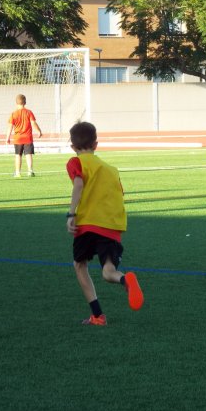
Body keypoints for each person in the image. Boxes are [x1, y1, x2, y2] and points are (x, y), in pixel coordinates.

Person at [66, 121, 144, 325]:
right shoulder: (111, 169)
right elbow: (119, 194)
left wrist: (71, 213)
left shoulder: (76, 163)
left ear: (73, 147)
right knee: (108, 271)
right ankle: (124, 279)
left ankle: (98, 316)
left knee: (80, 265)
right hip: (111, 225)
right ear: (96, 144)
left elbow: (78, 184)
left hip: (87, 224)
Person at [5, 94, 42, 177]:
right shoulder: (29, 112)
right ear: (25, 102)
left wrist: (7, 138)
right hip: (28, 138)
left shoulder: (13, 114)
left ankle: (18, 173)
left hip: (18, 138)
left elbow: (10, 126)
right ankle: (30, 171)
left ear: (16, 103)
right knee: (28, 154)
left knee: (18, 155)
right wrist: (39, 131)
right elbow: (33, 123)